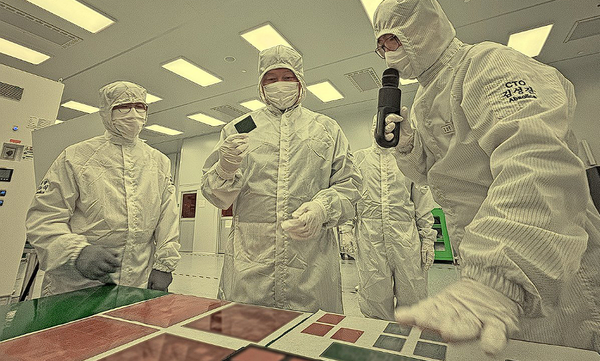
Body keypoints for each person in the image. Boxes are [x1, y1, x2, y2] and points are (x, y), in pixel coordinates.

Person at [372, 0, 600, 355]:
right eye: (381, 45)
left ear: (424, 28)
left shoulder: (487, 63)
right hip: (484, 256)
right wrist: (408, 147)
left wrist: (496, 279)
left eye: (393, 39)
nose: (388, 52)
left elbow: (534, 159)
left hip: (543, 255)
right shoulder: (424, 99)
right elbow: (434, 178)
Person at [201, 45, 361, 313]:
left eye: (287, 77)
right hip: (250, 261)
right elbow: (217, 197)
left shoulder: (326, 128)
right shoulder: (241, 127)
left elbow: (350, 185)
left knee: (310, 331)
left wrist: (322, 209)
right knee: (248, 330)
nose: (280, 84)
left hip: (311, 261)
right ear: (261, 85)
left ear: (300, 81)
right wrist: (224, 169)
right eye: (271, 78)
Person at [27, 81, 181, 296]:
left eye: (140, 107)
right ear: (107, 112)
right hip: (76, 284)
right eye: (123, 107)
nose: (133, 114)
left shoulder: (159, 162)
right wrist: (77, 252)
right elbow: (43, 217)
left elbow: (168, 218)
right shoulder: (76, 157)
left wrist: (164, 265)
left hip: (137, 280)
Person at [354, 118, 437, 321]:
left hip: (405, 237)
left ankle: (411, 337)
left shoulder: (407, 160)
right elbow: (350, 196)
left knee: (412, 294)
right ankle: (377, 336)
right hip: (369, 237)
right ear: (372, 129)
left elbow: (422, 200)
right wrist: (345, 230)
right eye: (377, 126)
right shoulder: (359, 159)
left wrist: (428, 239)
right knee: (374, 295)